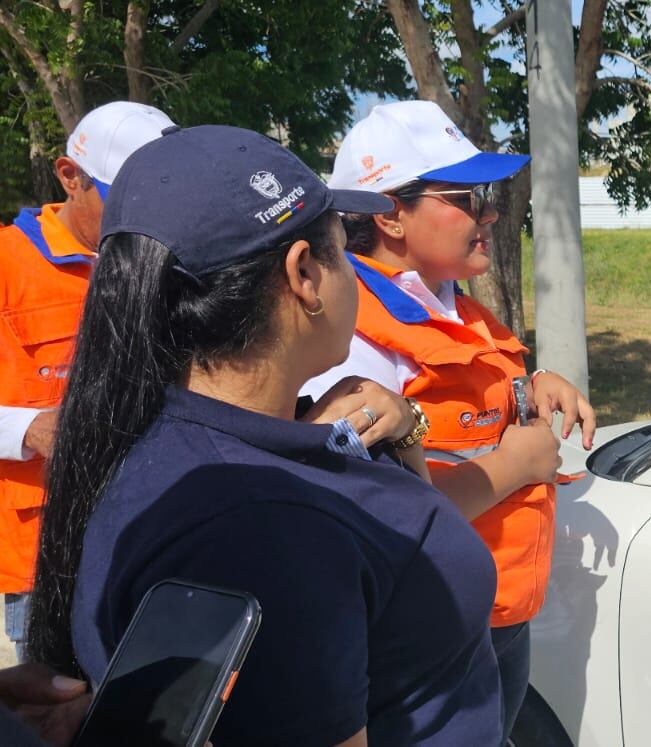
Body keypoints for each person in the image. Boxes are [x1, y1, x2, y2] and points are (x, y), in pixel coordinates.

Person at [28, 125, 503, 745]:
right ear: (305, 274)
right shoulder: (264, 528)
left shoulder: (177, 441)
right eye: (342, 253)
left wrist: (405, 434)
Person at [307, 100, 594, 742]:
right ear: (390, 213)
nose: (490, 212)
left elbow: (460, 415)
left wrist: (529, 389)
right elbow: (377, 515)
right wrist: (515, 466)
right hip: (431, 626)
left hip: (492, 612)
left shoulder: (449, 304)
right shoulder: (354, 340)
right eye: (467, 196)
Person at [0, 102, 175, 661]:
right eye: (124, 192)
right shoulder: (8, 265)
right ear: (70, 177)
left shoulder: (172, 263)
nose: (146, 211)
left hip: (161, 535)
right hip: (48, 560)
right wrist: (30, 428)